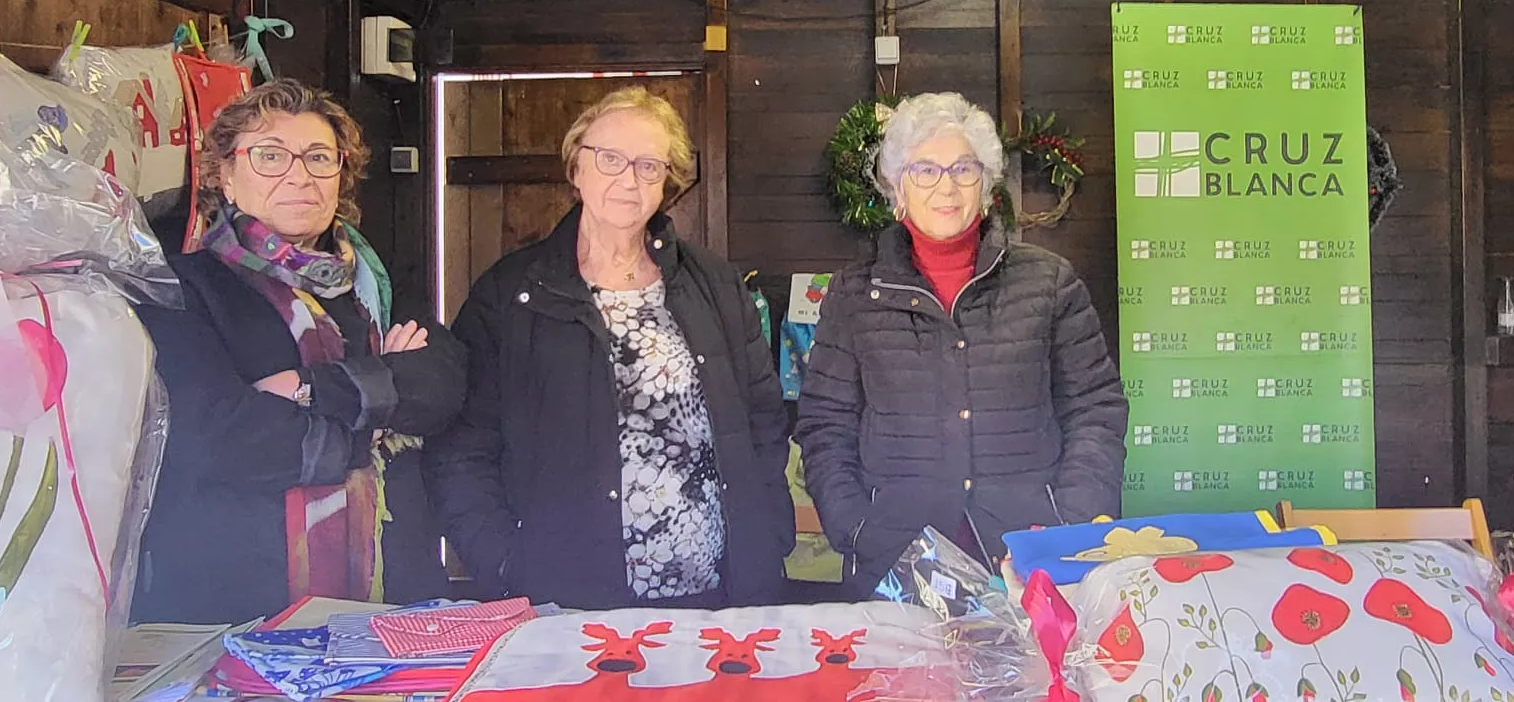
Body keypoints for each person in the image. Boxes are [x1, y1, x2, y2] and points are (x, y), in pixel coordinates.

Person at [427, 86, 792, 610]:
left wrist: (769, 535)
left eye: (648, 165)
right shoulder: (513, 294)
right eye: (610, 159)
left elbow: (762, 421)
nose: (628, 179)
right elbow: (462, 447)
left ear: (667, 181)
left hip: (716, 589)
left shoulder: (712, 283)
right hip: (567, 597)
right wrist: (503, 564)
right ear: (576, 167)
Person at [132, 80, 465, 625]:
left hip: (398, 605)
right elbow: (217, 438)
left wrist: (310, 388)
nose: (298, 174)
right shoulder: (183, 289)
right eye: (269, 156)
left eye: (318, 157)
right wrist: (375, 417)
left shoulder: (376, 287)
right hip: (237, 611)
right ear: (226, 176)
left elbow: (442, 384)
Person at [796, 91, 1128, 596]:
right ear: (897, 188)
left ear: (987, 183)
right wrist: (857, 528)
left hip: (1028, 557)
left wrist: (1070, 522)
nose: (945, 186)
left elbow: (1095, 410)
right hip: (897, 560)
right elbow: (825, 425)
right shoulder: (855, 294)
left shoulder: (1049, 282)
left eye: (963, 169)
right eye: (924, 170)